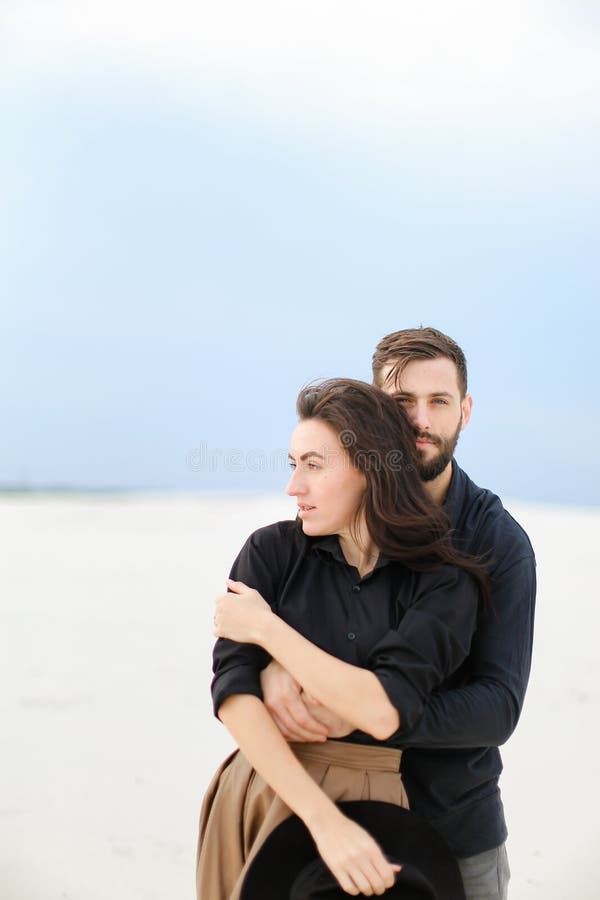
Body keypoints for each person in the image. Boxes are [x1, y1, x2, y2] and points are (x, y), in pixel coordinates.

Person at [260, 328, 536, 900]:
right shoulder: (329, 518)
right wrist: (273, 662)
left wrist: (362, 711)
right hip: (330, 823)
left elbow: (498, 709)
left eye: (438, 401)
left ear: (466, 409)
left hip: (455, 826)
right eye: (401, 401)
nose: (420, 420)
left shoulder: (496, 542)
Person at [197, 378, 489, 900]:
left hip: (371, 795)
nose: (294, 487)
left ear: (371, 468)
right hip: (261, 784)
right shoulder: (269, 552)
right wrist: (321, 821)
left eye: (313, 465)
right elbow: (234, 695)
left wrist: (268, 631)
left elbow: (381, 711)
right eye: (293, 465)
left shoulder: (444, 581)